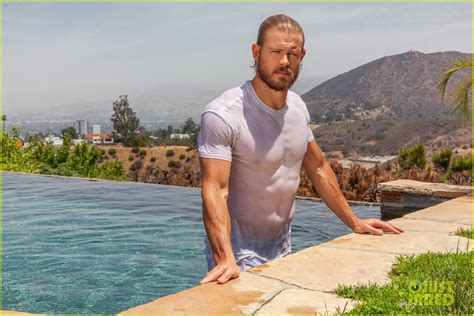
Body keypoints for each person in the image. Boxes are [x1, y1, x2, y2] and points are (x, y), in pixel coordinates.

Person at [197, 14, 403, 285]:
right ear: (256, 52)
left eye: (293, 54)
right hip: (238, 255)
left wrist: (354, 221)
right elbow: (215, 189)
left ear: (302, 56)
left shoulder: (297, 107)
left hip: (283, 248)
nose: (284, 61)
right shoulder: (223, 115)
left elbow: (317, 168)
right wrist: (225, 257)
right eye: (276, 52)